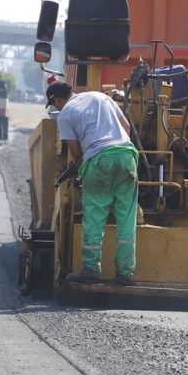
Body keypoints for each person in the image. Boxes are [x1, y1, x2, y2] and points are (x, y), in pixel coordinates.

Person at [46, 82, 139, 285]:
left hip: (99, 161)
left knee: (95, 218)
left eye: (54, 105)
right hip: (127, 156)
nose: (56, 108)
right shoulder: (102, 97)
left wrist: (83, 170)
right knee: (127, 219)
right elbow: (126, 127)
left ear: (58, 100)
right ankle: (125, 274)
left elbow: (76, 153)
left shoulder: (65, 114)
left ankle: (90, 271)